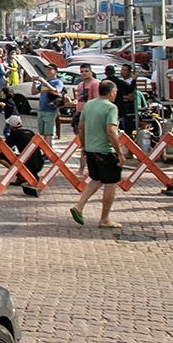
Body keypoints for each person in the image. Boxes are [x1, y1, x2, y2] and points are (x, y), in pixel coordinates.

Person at [70, 80, 124, 229]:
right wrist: (119, 152)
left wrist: (84, 145)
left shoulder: (89, 105)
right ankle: (104, 218)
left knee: (96, 179)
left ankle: (79, 205)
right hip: (106, 151)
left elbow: (81, 127)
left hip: (91, 149)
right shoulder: (111, 108)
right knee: (111, 184)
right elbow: (111, 131)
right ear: (112, 92)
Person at [3, 115, 43, 197]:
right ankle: (25, 176)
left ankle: (20, 174)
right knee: (23, 156)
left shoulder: (14, 134)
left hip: (28, 165)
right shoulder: (30, 132)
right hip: (39, 162)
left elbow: (4, 149)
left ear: (11, 126)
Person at [34, 69, 65, 141]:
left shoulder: (58, 82)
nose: (47, 71)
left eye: (50, 69)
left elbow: (56, 90)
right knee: (41, 133)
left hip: (50, 110)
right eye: (47, 70)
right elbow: (34, 92)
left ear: (55, 71)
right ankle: (44, 150)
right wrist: (33, 83)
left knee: (48, 133)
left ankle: (48, 150)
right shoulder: (45, 82)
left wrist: (45, 83)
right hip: (41, 109)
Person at [110, 64, 138, 140]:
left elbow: (133, 97)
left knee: (128, 130)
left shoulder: (130, 82)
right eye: (121, 70)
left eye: (125, 70)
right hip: (121, 109)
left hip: (128, 110)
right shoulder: (121, 82)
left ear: (129, 72)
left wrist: (121, 97)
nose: (122, 72)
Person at [72, 64, 98, 131]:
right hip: (80, 112)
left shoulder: (95, 84)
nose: (84, 73)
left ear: (91, 72)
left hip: (90, 113)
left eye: (86, 71)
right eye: (82, 71)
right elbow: (79, 98)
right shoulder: (80, 85)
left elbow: (97, 100)